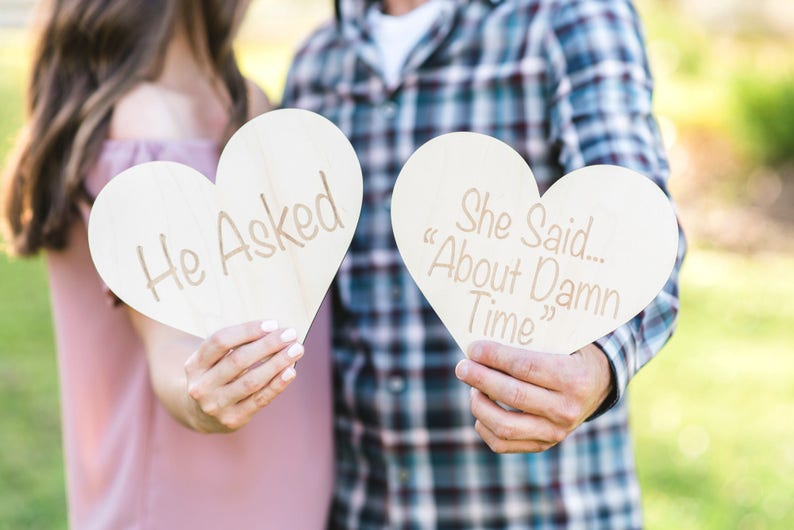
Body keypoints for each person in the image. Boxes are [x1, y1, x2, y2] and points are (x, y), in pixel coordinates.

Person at [283, 0, 686, 527]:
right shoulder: (316, 65)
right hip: (367, 507)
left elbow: (640, 227)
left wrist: (597, 365)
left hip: (538, 509)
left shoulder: (569, 16)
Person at [2, 1, 332, 528]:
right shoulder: (143, 125)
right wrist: (204, 397)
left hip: (275, 487)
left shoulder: (246, 105)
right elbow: (172, 349)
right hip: (190, 500)